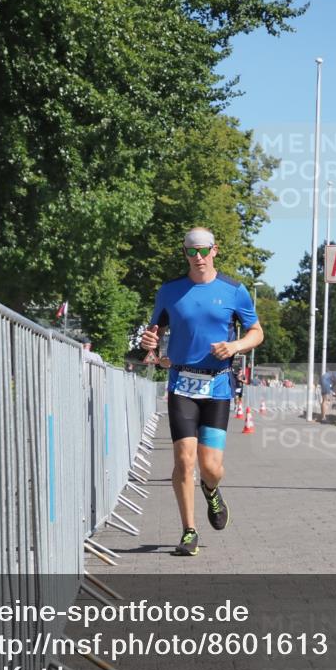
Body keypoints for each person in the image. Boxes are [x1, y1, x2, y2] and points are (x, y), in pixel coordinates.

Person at [140, 227, 264, 557]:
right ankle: (189, 531)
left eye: (203, 250)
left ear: (215, 250)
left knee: (211, 467)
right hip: (182, 383)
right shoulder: (170, 291)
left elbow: (256, 332)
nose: (197, 257)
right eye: (190, 251)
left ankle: (211, 489)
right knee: (183, 460)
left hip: (218, 385)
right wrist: (149, 344)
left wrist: (236, 345)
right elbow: (154, 334)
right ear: (184, 254)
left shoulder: (234, 291)